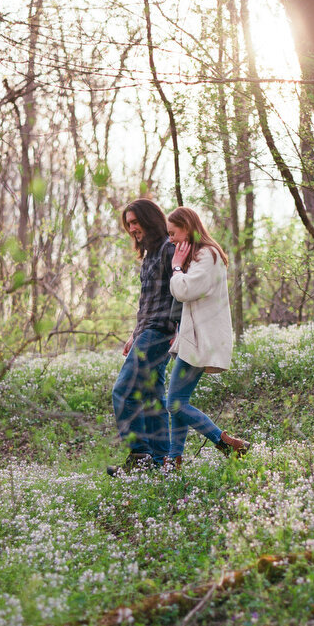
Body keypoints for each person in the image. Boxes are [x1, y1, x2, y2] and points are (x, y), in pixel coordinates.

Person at [165, 205, 250, 468]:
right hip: (194, 340)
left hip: (202, 341)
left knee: (175, 403)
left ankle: (225, 442)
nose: (171, 240)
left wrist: (176, 268)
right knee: (178, 402)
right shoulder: (201, 256)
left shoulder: (207, 255)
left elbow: (186, 291)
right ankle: (174, 459)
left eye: (173, 233)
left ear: (187, 228)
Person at [107, 198, 177, 475]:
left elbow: (181, 292)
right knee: (152, 397)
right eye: (128, 224)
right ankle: (162, 463)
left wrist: (180, 328)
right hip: (147, 332)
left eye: (135, 222)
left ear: (150, 219)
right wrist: (134, 335)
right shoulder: (150, 255)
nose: (132, 228)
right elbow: (146, 302)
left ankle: (140, 457)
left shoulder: (168, 250)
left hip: (160, 332)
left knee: (123, 392)